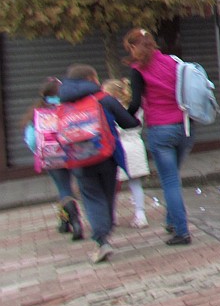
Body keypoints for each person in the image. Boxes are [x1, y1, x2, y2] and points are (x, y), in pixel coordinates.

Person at [59, 64, 140, 263]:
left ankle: (102, 240)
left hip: (79, 161)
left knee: (92, 197)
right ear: (90, 79)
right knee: (107, 195)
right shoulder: (104, 99)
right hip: (107, 157)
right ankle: (106, 231)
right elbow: (129, 122)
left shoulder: (62, 106)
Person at [122, 28, 195, 246]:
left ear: (134, 47)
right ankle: (172, 222)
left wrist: (122, 120)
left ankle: (182, 232)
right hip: (185, 126)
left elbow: (135, 104)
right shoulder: (173, 62)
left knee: (170, 181)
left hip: (160, 129)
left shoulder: (138, 70)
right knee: (174, 177)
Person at [22, 77, 83, 241]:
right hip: (74, 154)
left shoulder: (38, 114)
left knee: (63, 189)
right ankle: (69, 220)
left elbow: (31, 140)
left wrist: (40, 152)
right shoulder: (70, 108)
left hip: (51, 157)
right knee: (76, 185)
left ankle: (72, 222)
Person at [102, 79, 150, 229]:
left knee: (112, 186)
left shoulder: (111, 107)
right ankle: (140, 215)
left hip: (118, 147)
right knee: (136, 184)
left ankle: (111, 217)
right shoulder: (136, 105)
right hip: (136, 145)